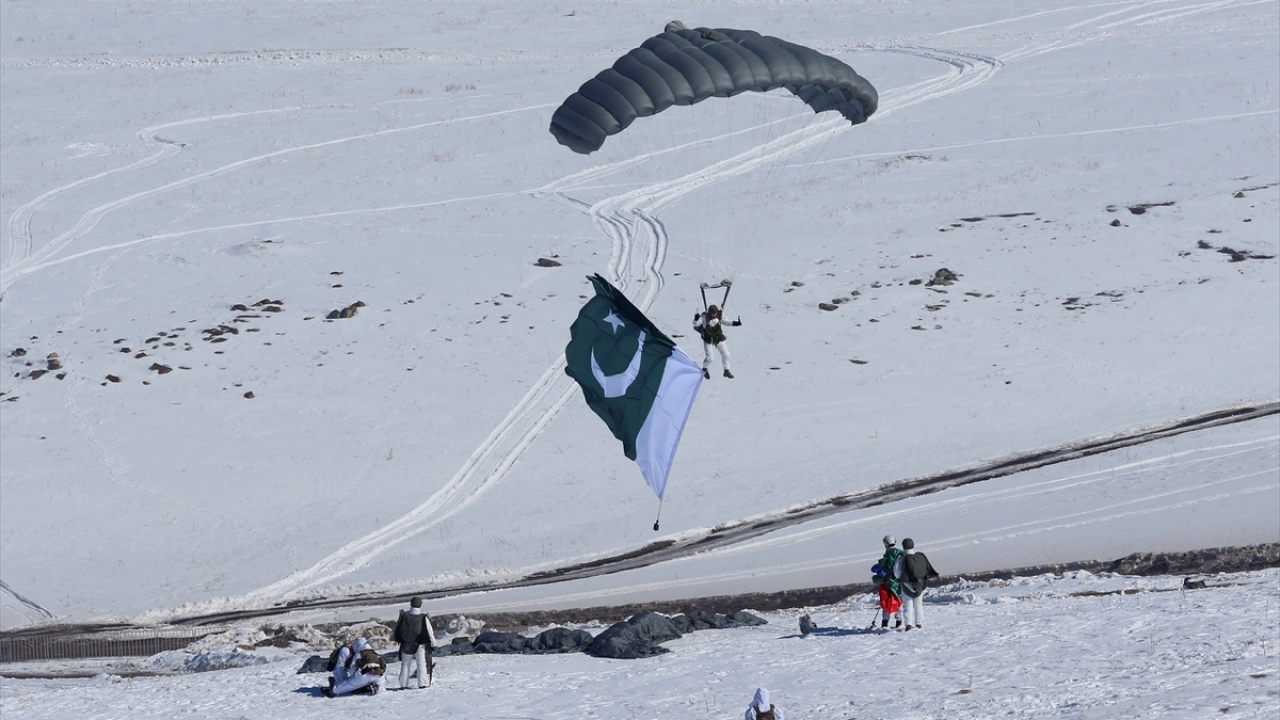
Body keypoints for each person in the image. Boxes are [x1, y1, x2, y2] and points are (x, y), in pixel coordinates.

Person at [893, 538, 940, 630]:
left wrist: (901, 578)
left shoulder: (901, 558)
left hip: (906, 584)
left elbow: (897, 573)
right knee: (918, 604)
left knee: (908, 605)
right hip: (920, 584)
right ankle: (919, 623)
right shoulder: (919, 557)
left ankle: (908, 624)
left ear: (903, 546)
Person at [394, 597, 437, 689]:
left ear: (411, 604)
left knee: (405, 664)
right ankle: (422, 683)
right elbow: (430, 632)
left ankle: (403, 684)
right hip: (419, 644)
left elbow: (398, 630)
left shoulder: (404, 616)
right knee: (421, 663)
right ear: (420, 605)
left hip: (406, 643)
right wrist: (433, 643)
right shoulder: (423, 618)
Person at [693, 304, 741, 379]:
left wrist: (735, 323)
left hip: (718, 338)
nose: (715, 314)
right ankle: (705, 369)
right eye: (713, 313)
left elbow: (725, 321)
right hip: (708, 339)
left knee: (726, 354)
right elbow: (696, 324)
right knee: (710, 358)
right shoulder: (704, 316)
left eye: (716, 313)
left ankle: (726, 370)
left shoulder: (719, 315)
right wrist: (696, 319)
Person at [874, 534, 905, 629]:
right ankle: (899, 622)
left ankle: (885, 622)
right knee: (898, 601)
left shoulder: (888, 554)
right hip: (899, 582)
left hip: (888, 582)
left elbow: (884, 567)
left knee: (886, 600)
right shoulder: (900, 553)